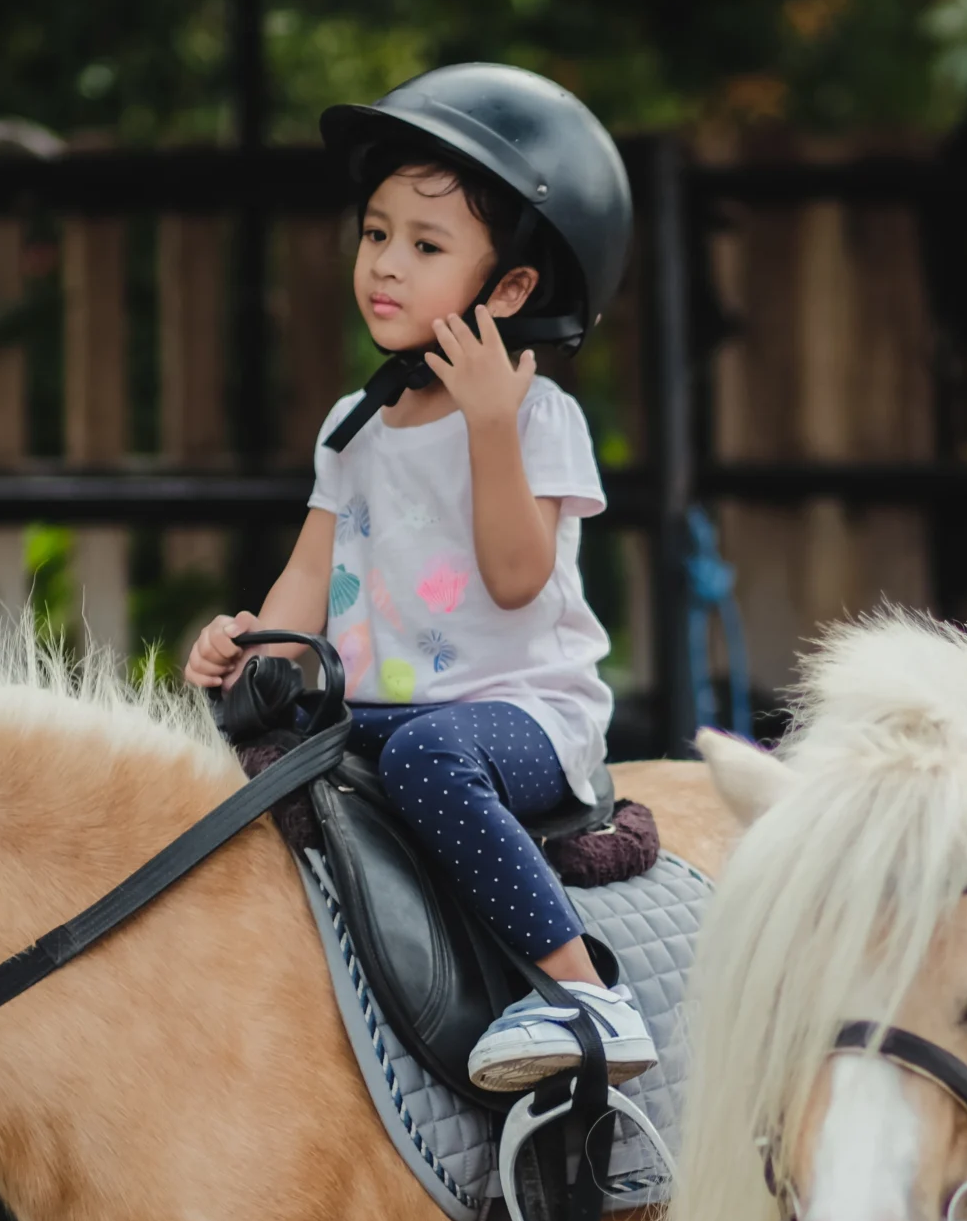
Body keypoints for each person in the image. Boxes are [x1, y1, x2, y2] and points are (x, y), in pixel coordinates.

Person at [184, 63, 650, 1092]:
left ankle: (586, 996)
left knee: (429, 758)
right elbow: (313, 569)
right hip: (383, 714)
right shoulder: (354, 425)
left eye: (426, 247)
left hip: (520, 717)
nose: (385, 265)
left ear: (511, 289)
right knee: (244, 769)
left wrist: (489, 427)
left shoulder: (536, 418)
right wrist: (247, 646)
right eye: (375, 234)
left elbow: (518, 578)